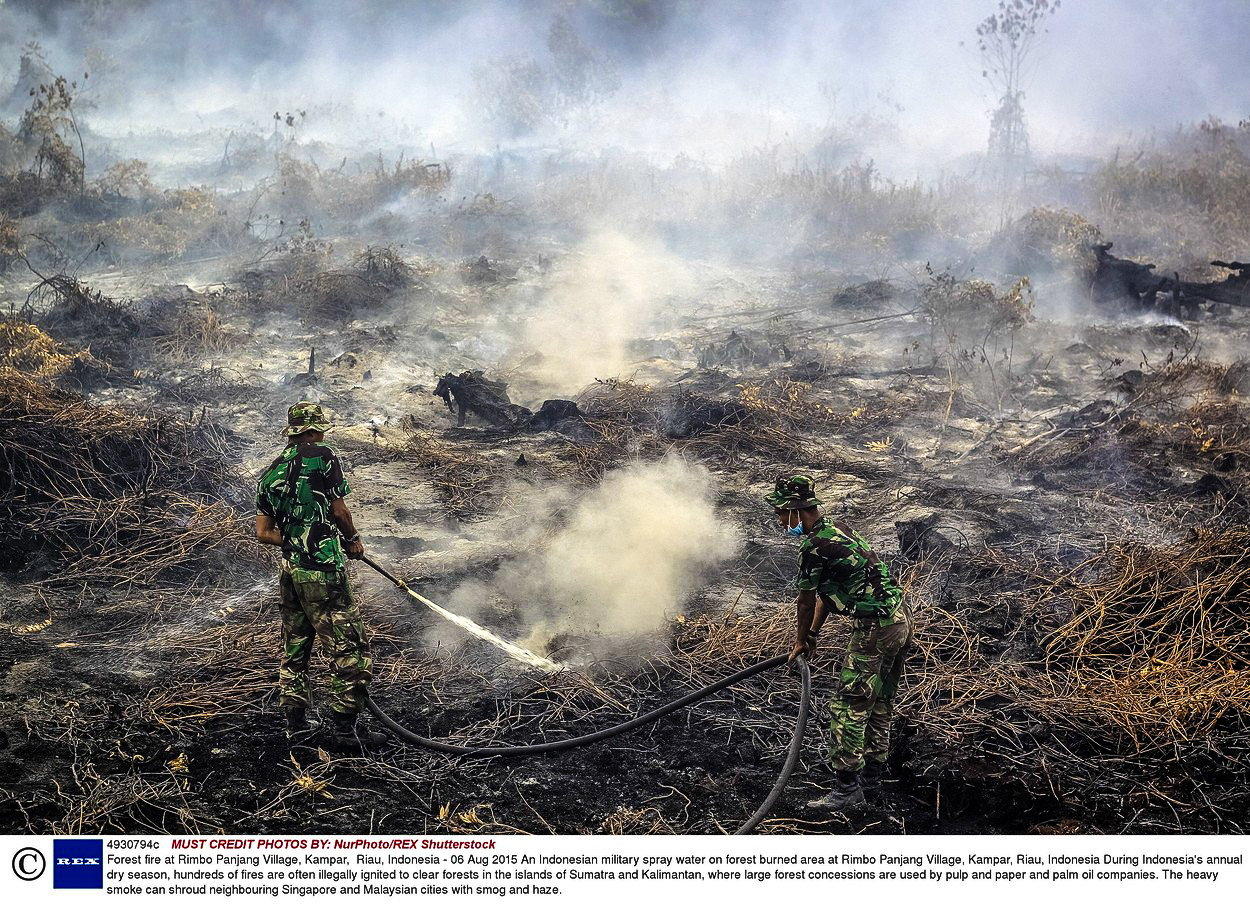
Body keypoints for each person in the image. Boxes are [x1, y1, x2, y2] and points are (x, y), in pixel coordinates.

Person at [765, 474, 913, 809]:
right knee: (878, 702)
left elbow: (805, 600)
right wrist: (812, 637)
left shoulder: (814, 547)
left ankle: (847, 791)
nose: (778, 520)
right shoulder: (838, 528)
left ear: (795, 510)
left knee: (849, 706)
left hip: (876, 628)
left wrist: (799, 639)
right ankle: (873, 779)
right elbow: (825, 597)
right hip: (900, 619)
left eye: (780, 513)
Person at [255, 402, 386, 751]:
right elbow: (339, 510)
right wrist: (351, 540)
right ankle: (344, 731)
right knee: (351, 648)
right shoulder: (323, 456)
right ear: (313, 431)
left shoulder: (272, 471)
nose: (323, 434)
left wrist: (299, 539)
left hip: (291, 570)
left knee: (295, 646)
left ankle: (295, 726)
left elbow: (263, 532)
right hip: (322, 572)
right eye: (321, 429)